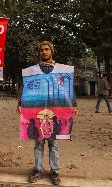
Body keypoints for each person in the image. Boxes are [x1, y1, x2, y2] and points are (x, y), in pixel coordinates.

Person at [17, 41, 77, 185]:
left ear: (51, 51)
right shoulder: (31, 73)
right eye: (42, 50)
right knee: (38, 144)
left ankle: (55, 172)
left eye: (47, 49)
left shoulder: (62, 71)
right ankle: (37, 170)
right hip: (37, 113)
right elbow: (25, 89)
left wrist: (74, 104)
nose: (44, 52)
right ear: (39, 52)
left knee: (54, 144)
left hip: (55, 112)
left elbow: (67, 90)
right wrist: (20, 103)